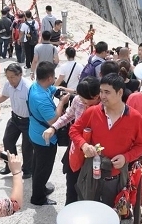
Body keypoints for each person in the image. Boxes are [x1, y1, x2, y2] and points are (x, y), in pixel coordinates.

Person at [69, 73, 142, 224]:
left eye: (107, 92)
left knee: (114, 210)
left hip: (116, 173)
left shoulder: (135, 118)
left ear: (120, 92)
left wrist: (126, 157)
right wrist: (84, 145)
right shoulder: (93, 111)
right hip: (92, 170)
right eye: (101, 92)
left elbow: (141, 144)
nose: (102, 96)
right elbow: (75, 129)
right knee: (89, 205)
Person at [43, 76, 100, 204]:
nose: (84, 103)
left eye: (87, 101)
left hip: (95, 152)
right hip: (76, 147)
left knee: (91, 188)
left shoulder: (103, 107)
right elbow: (68, 116)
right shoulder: (78, 101)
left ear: (97, 96)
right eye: (82, 100)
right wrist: (53, 127)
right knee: (72, 183)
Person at [27, 62, 68, 206]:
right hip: (43, 138)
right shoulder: (41, 98)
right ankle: (38, 198)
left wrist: (63, 91)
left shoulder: (36, 86)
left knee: (38, 164)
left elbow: (52, 89)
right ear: (50, 77)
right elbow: (53, 120)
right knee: (43, 169)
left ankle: (41, 188)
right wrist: (62, 103)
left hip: (34, 131)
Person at [0, 64, 33, 179]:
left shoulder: (28, 87)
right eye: (8, 77)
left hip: (28, 121)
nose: (10, 80)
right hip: (14, 118)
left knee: (27, 146)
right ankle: (10, 164)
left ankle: (28, 169)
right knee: (7, 141)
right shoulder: (8, 85)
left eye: (12, 77)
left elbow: (35, 105)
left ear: (20, 75)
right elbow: (4, 96)